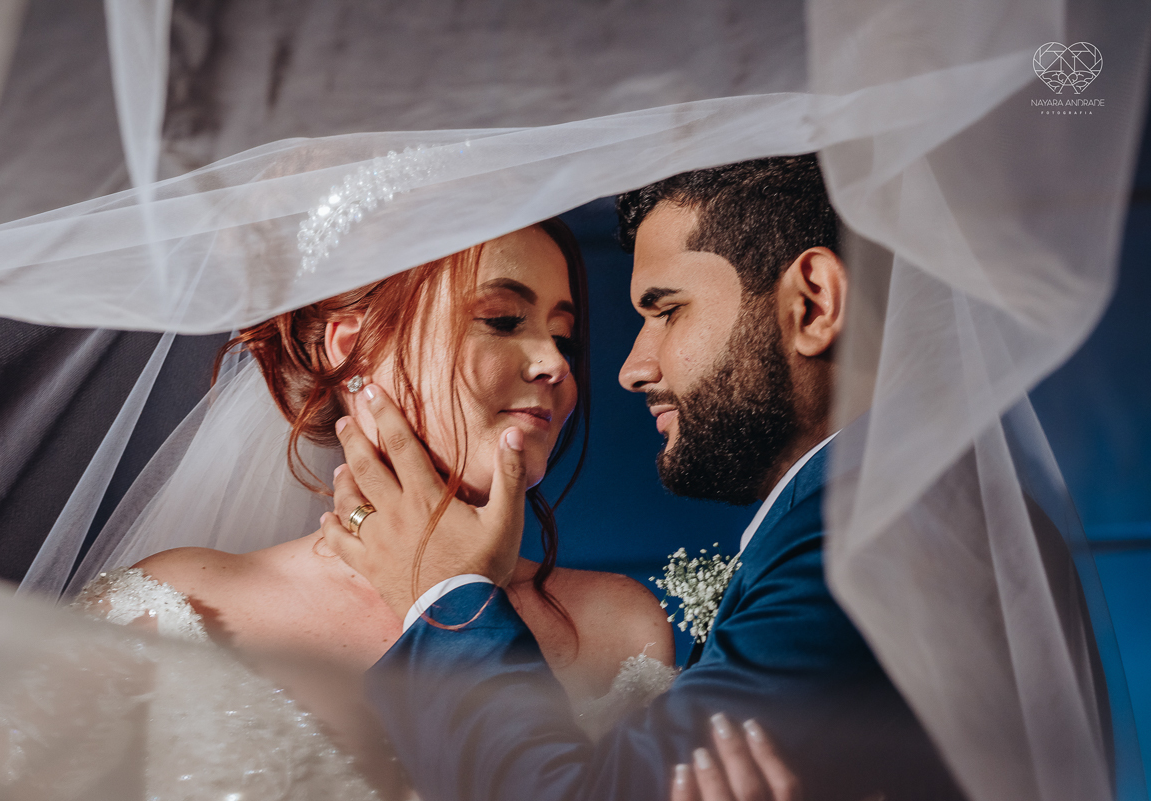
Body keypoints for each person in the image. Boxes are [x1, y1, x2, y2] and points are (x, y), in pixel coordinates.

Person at [320, 155, 967, 800]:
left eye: (668, 310)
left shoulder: (857, 545)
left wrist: (444, 596)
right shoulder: (874, 515)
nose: (631, 368)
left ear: (813, 303)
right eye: (502, 320)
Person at [68, 219, 677, 799]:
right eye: (502, 320)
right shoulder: (174, 606)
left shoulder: (616, 628)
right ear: (352, 349)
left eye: (563, 336)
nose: (556, 363)